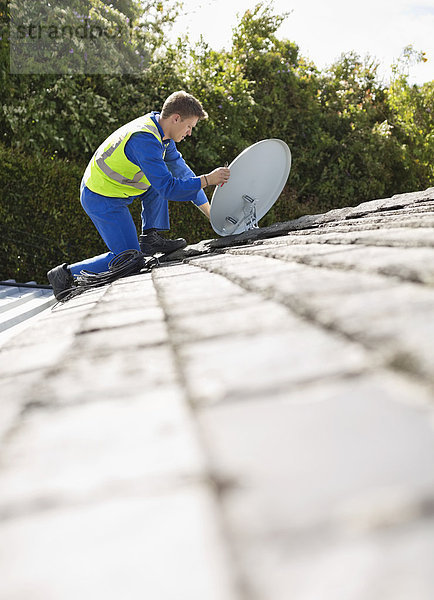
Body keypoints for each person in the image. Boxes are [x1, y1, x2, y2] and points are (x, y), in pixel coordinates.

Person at [47, 90, 230, 300]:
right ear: (176, 118)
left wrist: (212, 215)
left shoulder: (163, 135)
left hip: (119, 189)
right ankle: (64, 274)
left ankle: (151, 238)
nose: (189, 133)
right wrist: (208, 179)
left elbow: (183, 173)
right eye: (189, 127)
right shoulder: (144, 140)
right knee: (129, 259)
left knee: (163, 177)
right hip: (100, 196)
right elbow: (168, 188)